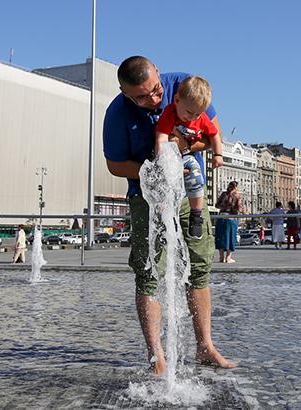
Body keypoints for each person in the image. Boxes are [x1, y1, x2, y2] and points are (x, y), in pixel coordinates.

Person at [103, 55, 235, 374]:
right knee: (149, 271)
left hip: (189, 196)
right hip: (147, 198)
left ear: (160, 75)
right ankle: (156, 357)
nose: (154, 100)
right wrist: (154, 172)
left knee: (200, 265)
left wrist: (189, 149)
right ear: (123, 91)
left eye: (157, 90)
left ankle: (205, 347)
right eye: (142, 97)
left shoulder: (185, 86)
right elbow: (115, 165)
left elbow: (212, 133)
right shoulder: (117, 115)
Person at [155, 76, 223, 239]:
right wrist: (162, 158)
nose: (192, 118)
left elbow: (215, 136)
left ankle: (196, 216)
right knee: (164, 182)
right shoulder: (170, 113)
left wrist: (218, 155)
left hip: (186, 155)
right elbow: (161, 136)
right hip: (169, 155)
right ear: (177, 100)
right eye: (189, 112)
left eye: (197, 114)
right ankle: (163, 216)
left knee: (196, 177)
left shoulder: (201, 118)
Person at [215, 181, 244, 263]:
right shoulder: (237, 195)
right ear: (236, 187)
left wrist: (223, 206)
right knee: (231, 237)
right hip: (231, 218)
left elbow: (216, 205)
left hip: (221, 217)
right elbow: (239, 208)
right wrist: (244, 212)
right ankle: (228, 258)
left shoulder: (224, 194)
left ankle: (221, 257)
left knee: (221, 237)